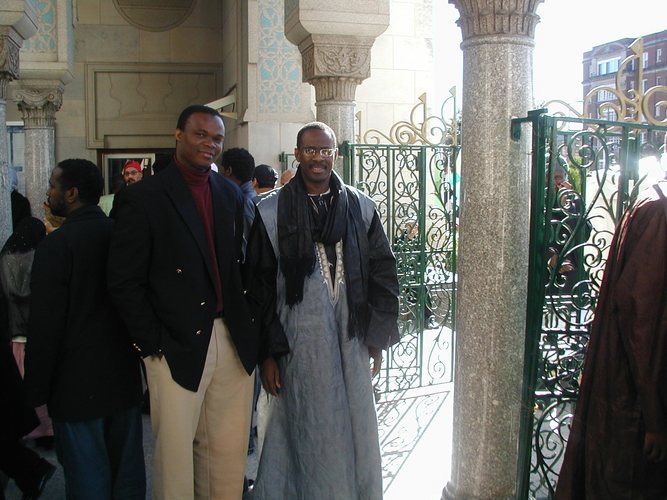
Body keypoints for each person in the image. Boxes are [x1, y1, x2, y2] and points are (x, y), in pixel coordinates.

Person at [108, 104, 259, 500]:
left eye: (217, 138)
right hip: (174, 341)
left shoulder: (228, 193)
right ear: (178, 135)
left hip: (231, 338)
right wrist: (151, 344)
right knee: (174, 460)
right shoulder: (144, 198)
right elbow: (124, 280)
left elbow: (239, 266)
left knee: (227, 457)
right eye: (201, 134)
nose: (210, 144)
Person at [246, 121, 400, 499]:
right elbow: (259, 287)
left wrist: (377, 337)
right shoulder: (270, 211)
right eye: (310, 151)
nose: (318, 158)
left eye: (325, 150)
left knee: (355, 422)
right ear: (297, 155)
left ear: (336, 154)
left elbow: (383, 270)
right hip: (298, 341)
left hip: (352, 337)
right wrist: (268, 353)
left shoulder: (360, 206)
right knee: (305, 425)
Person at [23, 159, 145, 499]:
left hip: (74, 385)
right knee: (127, 474)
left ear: (71, 193)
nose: (49, 192)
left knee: (87, 474)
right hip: (123, 379)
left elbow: (45, 324)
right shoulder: (120, 235)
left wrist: (36, 390)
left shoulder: (56, 247)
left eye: (52, 185)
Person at [555, 177, 667, 498]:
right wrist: (656, 417)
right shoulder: (659, 212)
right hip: (635, 404)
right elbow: (642, 321)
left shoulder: (653, 204)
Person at [219, 147, 256, 245]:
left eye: (220, 170)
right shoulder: (254, 198)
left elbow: (243, 246)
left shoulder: (242, 203)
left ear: (228, 171)